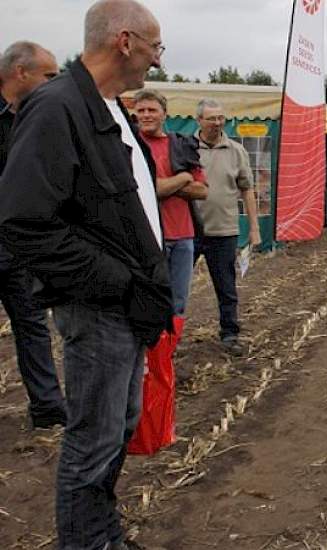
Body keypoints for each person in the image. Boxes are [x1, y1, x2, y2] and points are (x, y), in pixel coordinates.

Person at [0, 1, 172, 548]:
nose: (158, 60)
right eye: (155, 47)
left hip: (126, 306)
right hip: (98, 308)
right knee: (92, 442)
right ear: (125, 42)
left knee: (117, 429)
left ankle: (103, 534)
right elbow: (25, 222)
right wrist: (118, 281)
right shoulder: (56, 108)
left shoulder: (108, 107)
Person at [0, 41, 65, 429]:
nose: (54, 85)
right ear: (21, 73)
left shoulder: (35, 118)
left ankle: (47, 407)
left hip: (20, 248)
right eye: (49, 76)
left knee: (33, 326)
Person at [194, 98, 260, 356]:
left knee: (226, 286)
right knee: (175, 287)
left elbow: (248, 189)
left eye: (221, 118)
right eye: (211, 118)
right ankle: (168, 336)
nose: (217, 123)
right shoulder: (188, 148)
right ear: (199, 120)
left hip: (224, 231)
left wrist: (254, 228)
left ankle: (230, 333)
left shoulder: (236, 151)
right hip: (190, 230)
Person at [135, 89, 207, 318]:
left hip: (183, 236)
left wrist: (166, 186)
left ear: (164, 114)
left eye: (152, 110)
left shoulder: (180, 145)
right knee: (150, 301)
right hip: (148, 237)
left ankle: (168, 352)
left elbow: (202, 190)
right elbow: (150, 190)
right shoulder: (131, 148)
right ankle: (151, 353)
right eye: (141, 110)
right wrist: (183, 177)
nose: (146, 115)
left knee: (178, 303)